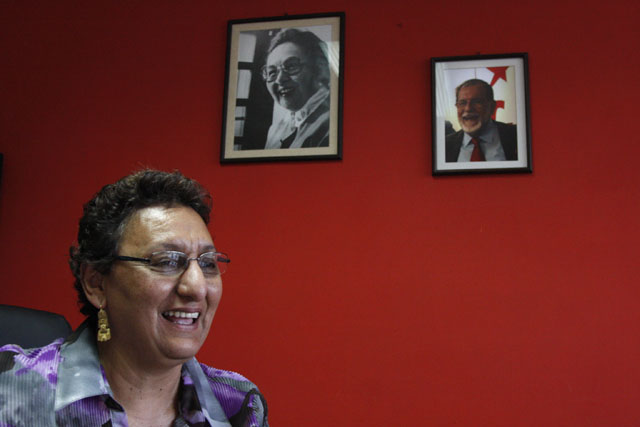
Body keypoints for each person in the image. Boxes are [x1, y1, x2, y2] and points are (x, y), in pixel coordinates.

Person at [0, 170, 268, 426]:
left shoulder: (238, 404)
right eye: (167, 261)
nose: (197, 287)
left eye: (208, 264)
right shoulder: (9, 390)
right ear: (96, 284)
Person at [262, 28, 330, 149]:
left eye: (291, 66)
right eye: (272, 72)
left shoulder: (333, 123)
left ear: (319, 67)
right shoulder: (275, 130)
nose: (279, 79)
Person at [445, 79, 518, 162]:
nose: (468, 108)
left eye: (477, 102)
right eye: (462, 103)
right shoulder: (444, 146)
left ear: (492, 107)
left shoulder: (517, 135)